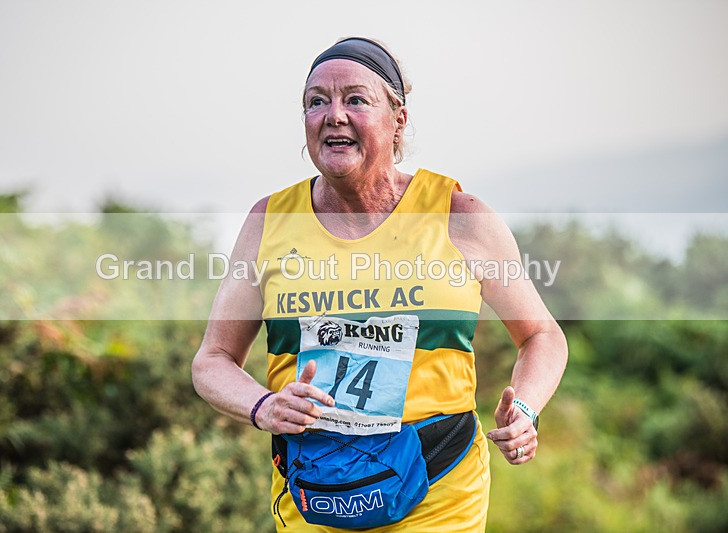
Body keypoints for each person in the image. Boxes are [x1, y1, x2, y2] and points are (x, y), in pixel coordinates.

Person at [192, 36, 567, 532]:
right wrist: (262, 406)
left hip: (440, 492)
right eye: (316, 102)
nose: (334, 115)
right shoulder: (269, 221)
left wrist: (523, 408)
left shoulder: (459, 216)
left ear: (398, 120)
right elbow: (213, 360)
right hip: (315, 492)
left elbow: (541, 334)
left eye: (356, 100)